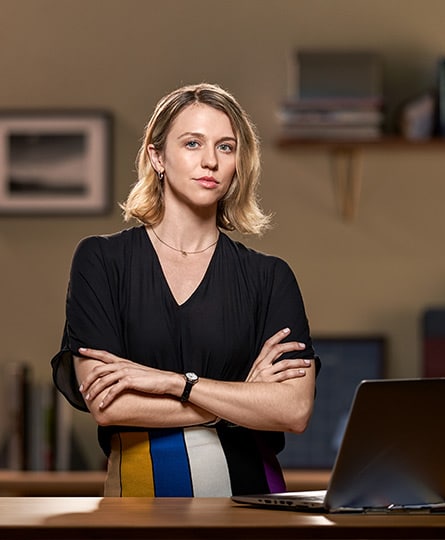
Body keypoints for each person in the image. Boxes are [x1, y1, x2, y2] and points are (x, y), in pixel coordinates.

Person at [51, 82, 318, 497]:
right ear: (157, 156)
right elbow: (108, 405)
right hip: (142, 502)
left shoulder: (270, 277)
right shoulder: (102, 262)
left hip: (255, 506)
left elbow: (294, 410)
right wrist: (240, 405)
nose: (210, 161)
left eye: (226, 147)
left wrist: (175, 383)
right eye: (192, 143)